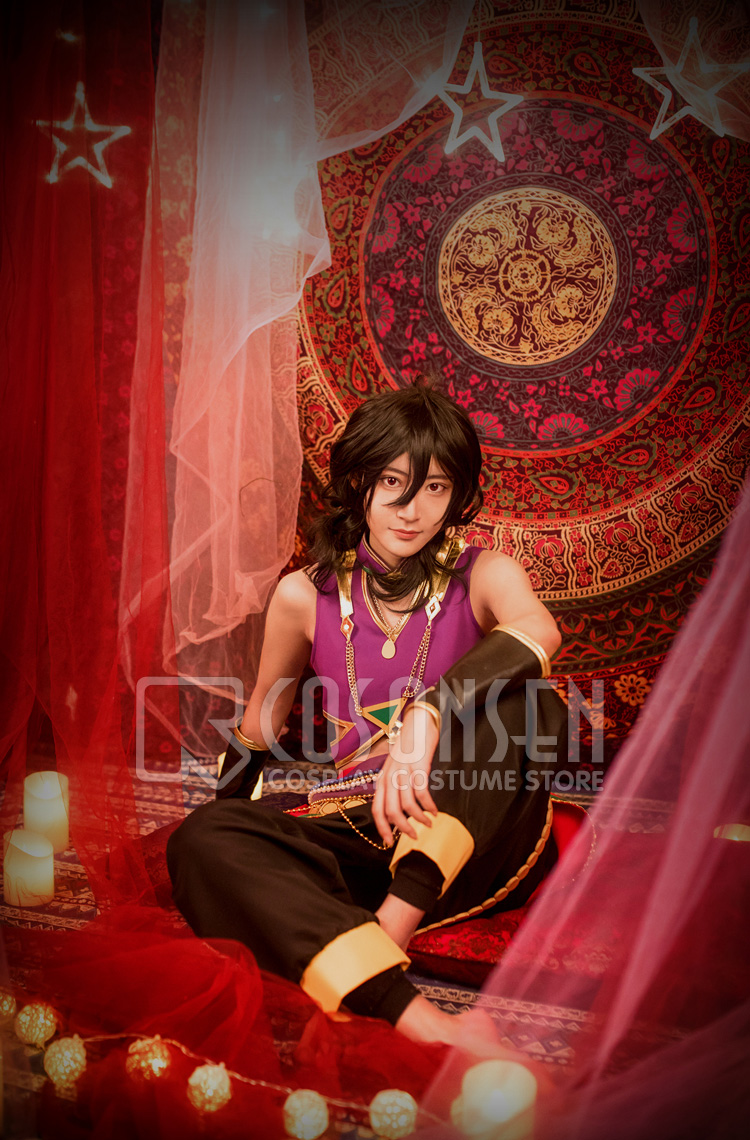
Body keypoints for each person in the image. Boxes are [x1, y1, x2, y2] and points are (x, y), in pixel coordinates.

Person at [167, 379, 566, 1047]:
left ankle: (392, 928)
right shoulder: (302, 596)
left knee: (526, 697)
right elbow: (262, 724)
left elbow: (539, 631)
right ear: (358, 483)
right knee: (201, 838)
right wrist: (230, 823)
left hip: (470, 832)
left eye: (434, 487)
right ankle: (421, 1020)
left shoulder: (486, 573)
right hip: (360, 825)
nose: (411, 510)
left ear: (458, 496)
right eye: (392, 483)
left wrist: (427, 717)